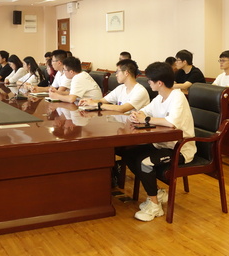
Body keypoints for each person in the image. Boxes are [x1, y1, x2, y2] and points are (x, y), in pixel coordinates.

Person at [121, 62, 195, 222]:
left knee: (145, 163)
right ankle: (158, 192)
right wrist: (137, 114)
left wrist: (146, 119)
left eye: (150, 80)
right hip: (161, 144)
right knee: (128, 153)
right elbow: (145, 111)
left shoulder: (177, 97)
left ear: (159, 83)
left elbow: (171, 123)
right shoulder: (160, 97)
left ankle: (155, 205)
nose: (148, 82)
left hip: (179, 149)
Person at [79, 59, 149, 112]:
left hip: (136, 126)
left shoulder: (140, 91)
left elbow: (122, 108)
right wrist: (89, 101)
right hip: (122, 122)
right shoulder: (121, 88)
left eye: (117, 71)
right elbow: (103, 101)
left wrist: (95, 104)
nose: (116, 75)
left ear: (126, 73)